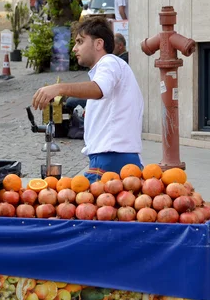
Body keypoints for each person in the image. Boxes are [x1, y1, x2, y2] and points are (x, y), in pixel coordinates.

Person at [32, 17, 144, 182]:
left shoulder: (109, 62)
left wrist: (59, 88)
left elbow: (99, 89)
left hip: (111, 158)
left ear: (98, 44)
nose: (74, 49)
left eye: (80, 42)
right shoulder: (110, 67)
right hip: (112, 156)